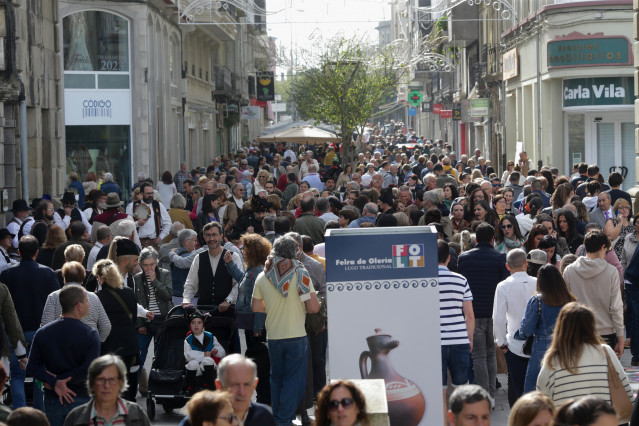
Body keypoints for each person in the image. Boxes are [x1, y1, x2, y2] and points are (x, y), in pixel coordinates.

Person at [251, 235, 319, 426]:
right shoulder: (301, 272)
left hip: (273, 336)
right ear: (295, 252)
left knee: (277, 380)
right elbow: (313, 308)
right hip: (296, 336)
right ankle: (283, 420)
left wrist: (273, 307)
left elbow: (256, 307)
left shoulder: (263, 275)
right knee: (293, 382)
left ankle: (279, 418)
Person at [26, 285, 100, 426]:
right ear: (79, 306)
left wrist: (55, 382)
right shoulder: (90, 334)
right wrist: (60, 381)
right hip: (81, 397)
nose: (89, 304)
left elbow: (32, 366)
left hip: (53, 399)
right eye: (86, 300)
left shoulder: (43, 332)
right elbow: (90, 369)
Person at [537, 303, 633, 409]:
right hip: (602, 419)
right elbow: (625, 387)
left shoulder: (553, 359)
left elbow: (542, 398)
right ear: (591, 326)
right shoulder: (605, 352)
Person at [2, 235, 59, 410]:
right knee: (39, 375)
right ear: (37, 253)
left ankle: (19, 413)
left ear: (19, 252)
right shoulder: (47, 273)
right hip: (41, 331)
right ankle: (39, 414)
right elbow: (57, 301)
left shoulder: (6, 274)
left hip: (14, 332)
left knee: (17, 376)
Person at [457, 223, 509, 400]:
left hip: (473, 313)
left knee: (478, 356)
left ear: (476, 239)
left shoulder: (464, 258)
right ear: (493, 239)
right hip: (494, 313)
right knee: (490, 355)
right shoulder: (500, 258)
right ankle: (491, 394)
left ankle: (485, 396)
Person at [563, 230, 624, 356]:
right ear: (603, 247)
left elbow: (565, 305)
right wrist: (621, 336)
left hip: (577, 331)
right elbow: (616, 307)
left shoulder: (569, 270)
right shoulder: (611, 272)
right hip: (605, 332)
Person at [516, 265, 575, 393]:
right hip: (566, 345)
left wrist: (519, 334)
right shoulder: (570, 300)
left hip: (542, 346)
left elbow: (526, 329)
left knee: (535, 390)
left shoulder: (537, 300)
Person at [492, 249, 537, 406]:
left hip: (514, 344)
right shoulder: (538, 282)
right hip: (537, 343)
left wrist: (501, 342)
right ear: (526, 264)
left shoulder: (503, 286)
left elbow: (498, 318)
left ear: (507, 266)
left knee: (515, 386)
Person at [93, 259, 141, 401]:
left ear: (100, 277)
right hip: (130, 345)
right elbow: (133, 317)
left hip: (109, 347)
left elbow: (98, 324)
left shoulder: (98, 297)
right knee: (128, 386)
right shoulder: (129, 292)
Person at [438, 240, 474, 417]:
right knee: (461, 390)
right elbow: (469, 315)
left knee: (441, 391)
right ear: (448, 258)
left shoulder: (424, 282)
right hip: (459, 339)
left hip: (435, 342)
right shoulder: (461, 280)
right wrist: (470, 339)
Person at [63, 354, 151, 426]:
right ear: (92, 383)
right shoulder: (75, 417)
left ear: (121, 383)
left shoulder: (137, 414)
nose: (106, 385)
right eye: (101, 379)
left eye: (112, 379)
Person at [40, 261, 111, 342]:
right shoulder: (94, 297)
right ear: (82, 278)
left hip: (61, 345)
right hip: (88, 344)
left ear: (64, 278)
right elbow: (106, 326)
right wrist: (98, 342)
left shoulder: (53, 296)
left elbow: (45, 325)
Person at [133, 247, 173, 386]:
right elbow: (135, 303)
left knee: (161, 356)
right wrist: (140, 324)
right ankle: (133, 389)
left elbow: (168, 295)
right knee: (139, 356)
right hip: (145, 322)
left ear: (156, 263)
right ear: (140, 265)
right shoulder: (137, 279)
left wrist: (155, 280)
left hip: (162, 320)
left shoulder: (164, 274)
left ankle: (159, 388)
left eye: (152, 264)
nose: (149, 267)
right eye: (146, 265)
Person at [182, 222, 243, 309]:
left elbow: (238, 283)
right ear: (204, 237)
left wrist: (228, 300)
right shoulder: (199, 258)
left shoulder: (233, 256)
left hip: (227, 311)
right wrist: (186, 300)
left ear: (221, 236)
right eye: (208, 235)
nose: (211, 238)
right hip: (203, 310)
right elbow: (190, 284)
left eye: (214, 235)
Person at [184, 309, 225, 393]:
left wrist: (216, 352)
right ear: (190, 326)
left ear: (203, 325)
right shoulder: (188, 340)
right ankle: (190, 389)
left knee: (208, 360)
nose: (196, 325)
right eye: (193, 323)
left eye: (199, 323)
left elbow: (222, 352)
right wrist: (204, 354)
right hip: (196, 367)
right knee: (193, 363)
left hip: (209, 367)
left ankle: (211, 388)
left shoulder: (211, 337)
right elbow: (188, 355)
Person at [126, 182, 171, 250]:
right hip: (137, 244)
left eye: (152, 193)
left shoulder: (158, 205)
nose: (151, 195)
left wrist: (161, 237)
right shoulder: (132, 206)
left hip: (154, 244)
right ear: (141, 194)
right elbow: (127, 226)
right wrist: (137, 223)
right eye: (148, 193)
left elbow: (168, 223)